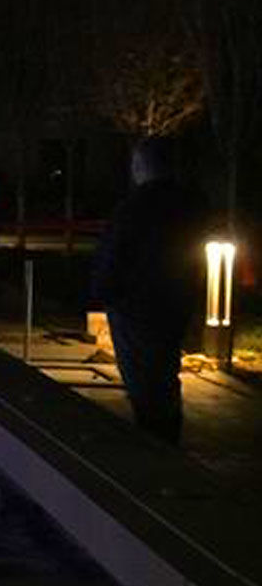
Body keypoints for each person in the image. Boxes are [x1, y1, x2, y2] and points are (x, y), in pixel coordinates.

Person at [89, 138, 208, 445]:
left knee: (143, 381)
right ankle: (167, 440)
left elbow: (114, 257)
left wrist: (101, 293)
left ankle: (153, 445)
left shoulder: (133, 208)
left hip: (136, 309)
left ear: (140, 167)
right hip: (174, 304)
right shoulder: (190, 206)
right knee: (164, 375)